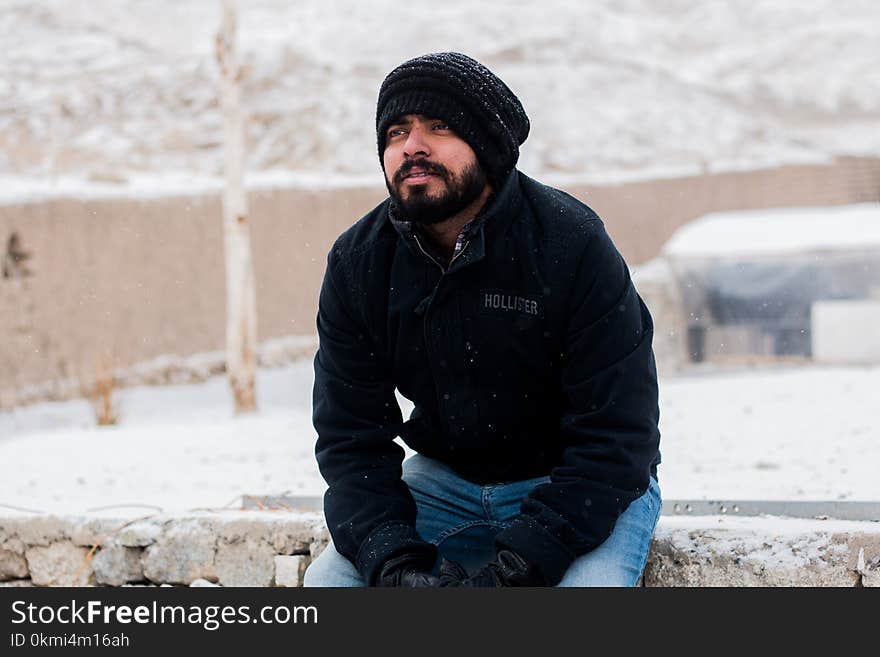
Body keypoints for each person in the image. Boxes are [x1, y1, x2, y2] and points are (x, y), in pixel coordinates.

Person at [303, 52, 661, 588]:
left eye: (438, 127)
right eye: (396, 132)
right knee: (332, 586)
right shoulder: (359, 261)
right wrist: (394, 560)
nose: (412, 146)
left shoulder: (571, 242)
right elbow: (350, 437)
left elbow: (618, 434)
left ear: (488, 147)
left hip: (579, 484)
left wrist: (521, 564)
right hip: (444, 482)